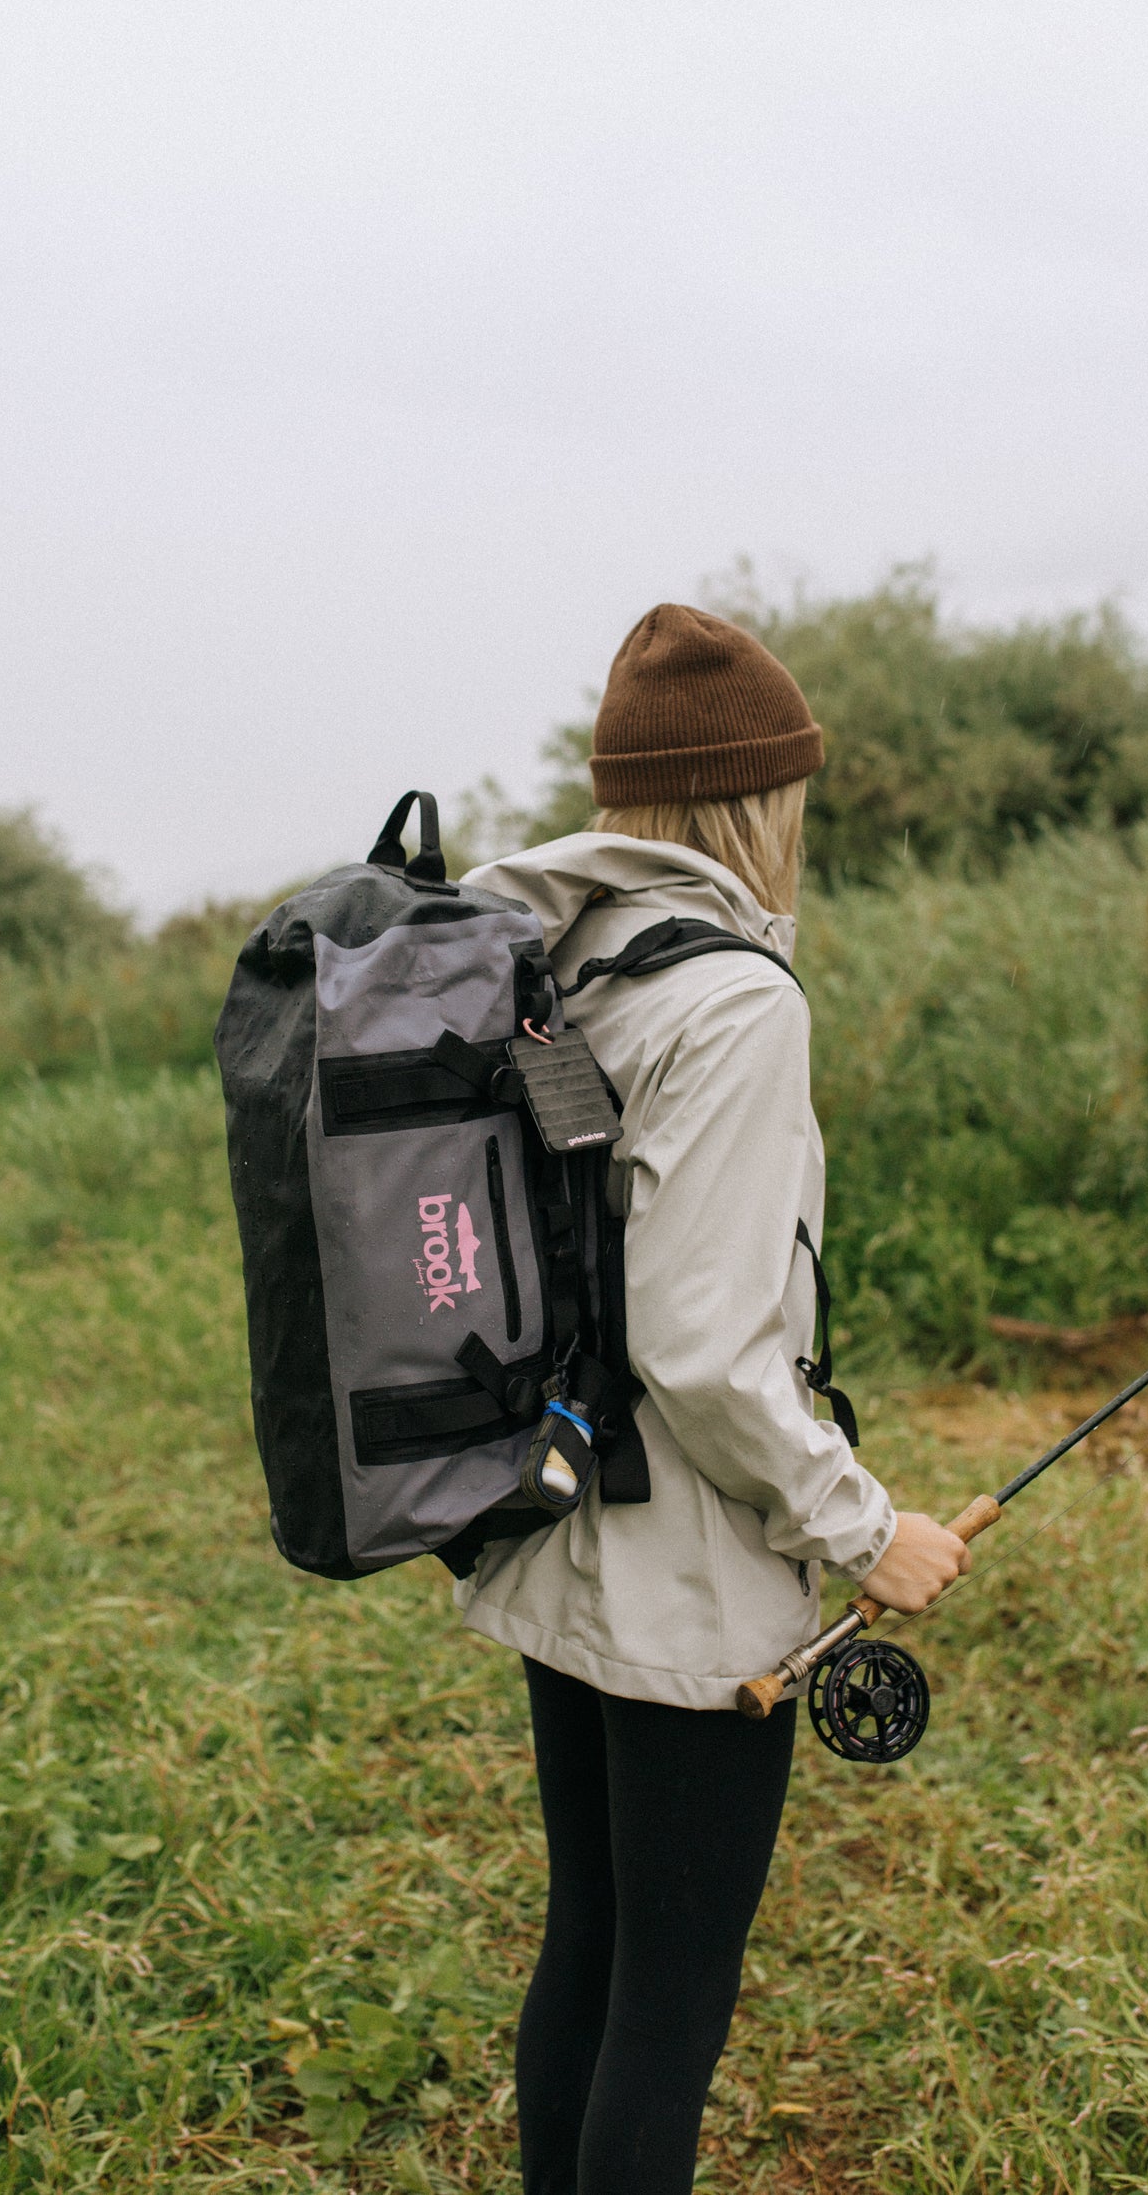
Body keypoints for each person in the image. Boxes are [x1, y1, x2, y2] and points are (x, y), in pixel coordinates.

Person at [457, 604, 970, 2195]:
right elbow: (705, 1341)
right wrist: (867, 1527)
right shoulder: (738, 998)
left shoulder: (562, 957)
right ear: (759, 799)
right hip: (689, 1582)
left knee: (595, 1946)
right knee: (670, 1999)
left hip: (557, 1528)